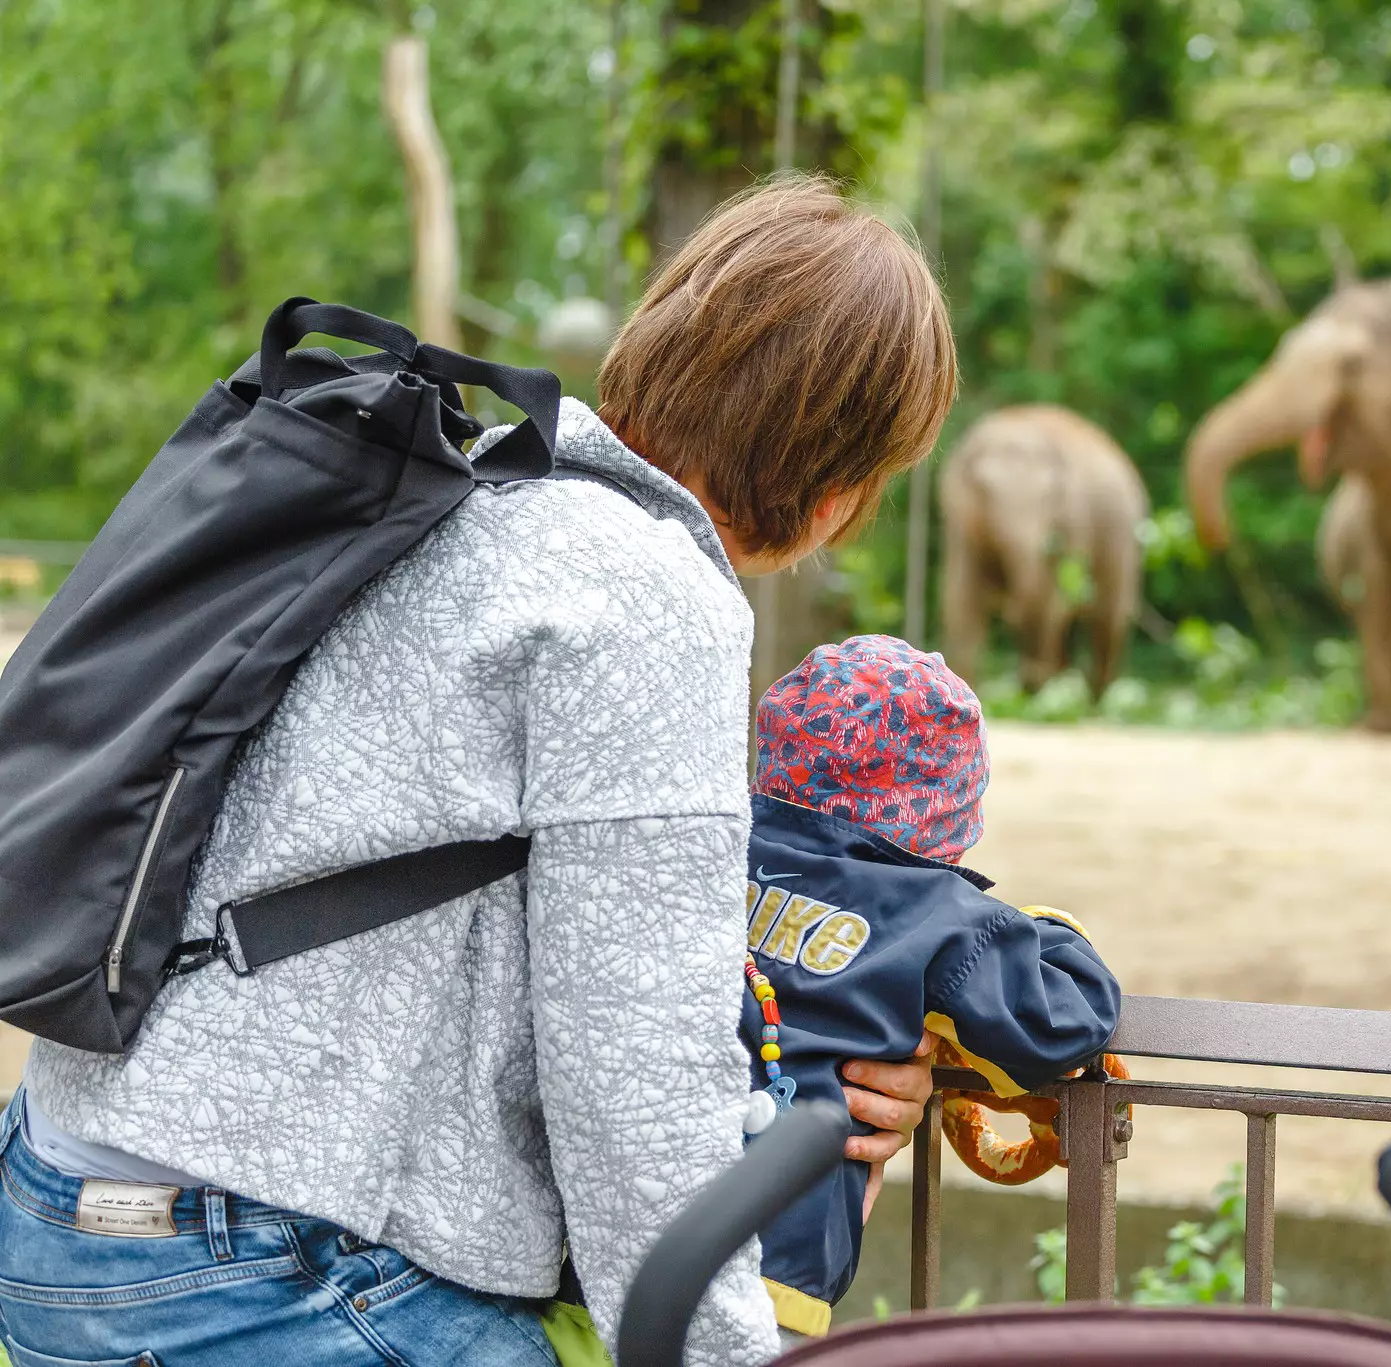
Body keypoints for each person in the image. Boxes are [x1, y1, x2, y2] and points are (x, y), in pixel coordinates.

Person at [0, 175, 954, 1367]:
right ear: (837, 489)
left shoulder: (456, 495)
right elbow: (633, 1082)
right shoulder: (644, 599)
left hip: (62, 1192)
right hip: (254, 1268)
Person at [741, 635, 1120, 1341]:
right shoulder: (935, 918)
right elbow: (1064, 1019)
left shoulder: (712, 853)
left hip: (631, 1233)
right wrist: (1036, 927)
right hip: (773, 1274)